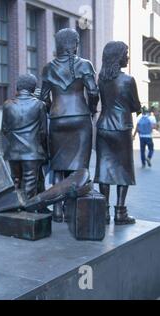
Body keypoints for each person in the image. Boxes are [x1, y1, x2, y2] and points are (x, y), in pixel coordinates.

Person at [40, 28, 99, 223]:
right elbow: (92, 92)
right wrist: (92, 110)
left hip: (58, 118)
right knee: (79, 167)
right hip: (80, 117)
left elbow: (43, 98)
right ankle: (74, 209)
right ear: (75, 44)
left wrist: (51, 112)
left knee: (58, 166)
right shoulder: (85, 65)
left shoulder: (48, 68)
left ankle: (57, 210)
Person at [95, 41, 141, 225]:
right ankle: (120, 212)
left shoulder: (101, 79)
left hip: (103, 127)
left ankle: (104, 212)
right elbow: (135, 105)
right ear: (117, 56)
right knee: (124, 169)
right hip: (121, 128)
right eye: (125, 53)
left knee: (104, 169)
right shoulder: (128, 80)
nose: (127, 57)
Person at [2, 74, 48, 202]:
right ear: (33, 88)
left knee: (15, 180)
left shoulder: (7, 105)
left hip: (13, 152)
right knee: (29, 183)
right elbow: (43, 132)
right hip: (32, 152)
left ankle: (14, 209)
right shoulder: (40, 105)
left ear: (18, 87)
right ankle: (27, 213)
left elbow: (4, 130)